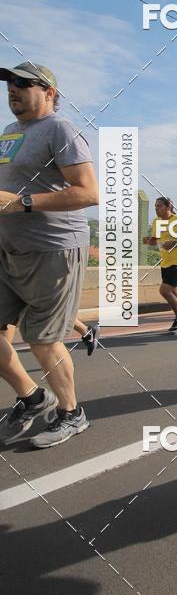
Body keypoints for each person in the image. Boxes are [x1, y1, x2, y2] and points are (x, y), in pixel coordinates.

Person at [0, 62, 98, 447]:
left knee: (41, 339)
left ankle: (72, 413)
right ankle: (33, 396)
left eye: (24, 83)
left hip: (53, 248)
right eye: (9, 83)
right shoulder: (9, 133)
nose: (13, 89)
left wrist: (22, 203)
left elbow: (88, 193)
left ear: (50, 92)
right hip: (9, 248)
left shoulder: (61, 130)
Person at [143, 197, 177, 332]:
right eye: (155, 206)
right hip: (165, 262)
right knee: (175, 293)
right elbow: (155, 241)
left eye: (159, 206)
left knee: (164, 290)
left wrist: (175, 243)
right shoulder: (156, 222)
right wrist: (148, 241)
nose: (156, 209)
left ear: (168, 206)